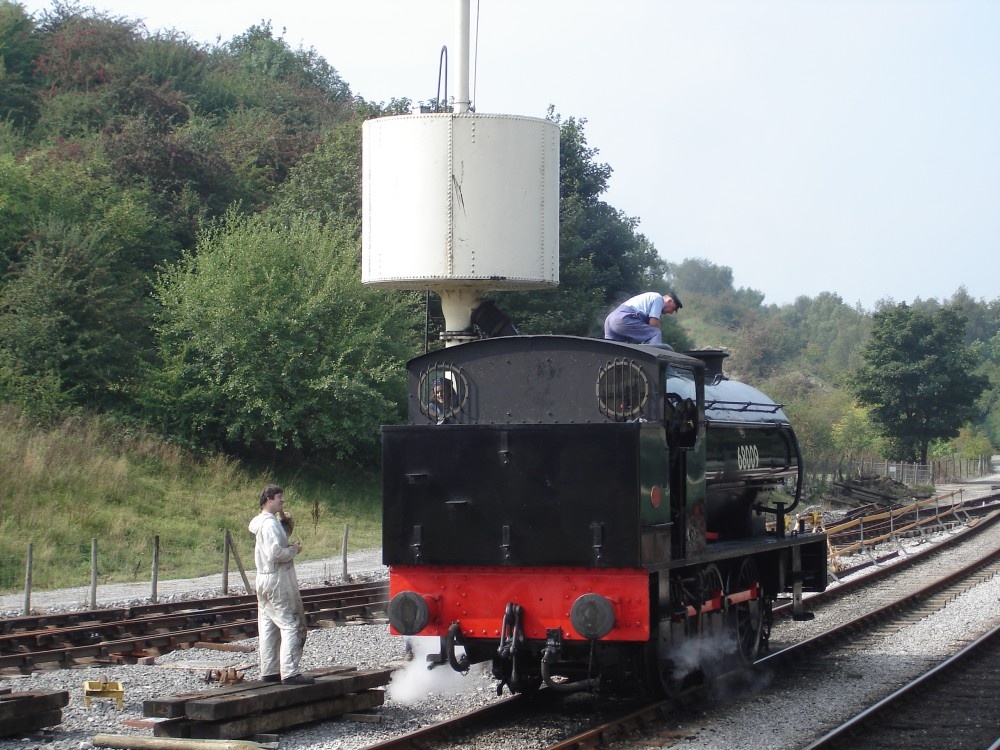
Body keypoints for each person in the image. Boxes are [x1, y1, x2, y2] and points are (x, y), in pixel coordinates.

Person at [248, 484, 313, 685]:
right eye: (279, 497)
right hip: (277, 579)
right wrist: (295, 550)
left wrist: (285, 525)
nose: (282, 501)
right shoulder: (269, 525)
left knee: (268, 625)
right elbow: (275, 553)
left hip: (263, 579)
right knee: (292, 624)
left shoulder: (263, 523)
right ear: (268, 498)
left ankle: (270, 671)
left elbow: (275, 539)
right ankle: (290, 673)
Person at [603, 291, 682, 345]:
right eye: (672, 309)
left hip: (610, 320)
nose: (671, 312)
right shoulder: (659, 299)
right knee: (655, 333)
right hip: (623, 319)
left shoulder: (648, 297)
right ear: (669, 301)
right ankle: (654, 366)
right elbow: (653, 324)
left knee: (613, 351)